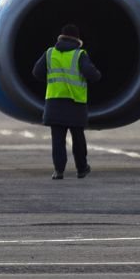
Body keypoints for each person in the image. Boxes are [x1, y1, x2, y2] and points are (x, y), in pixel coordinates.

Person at [32, 24, 102, 179]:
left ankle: (59, 171)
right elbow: (92, 74)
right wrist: (96, 75)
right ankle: (82, 169)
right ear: (77, 39)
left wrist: (51, 80)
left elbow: (36, 72)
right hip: (75, 103)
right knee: (78, 139)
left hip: (54, 102)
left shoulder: (50, 53)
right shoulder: (80, 55)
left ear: (61, 37)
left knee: (58, 140)